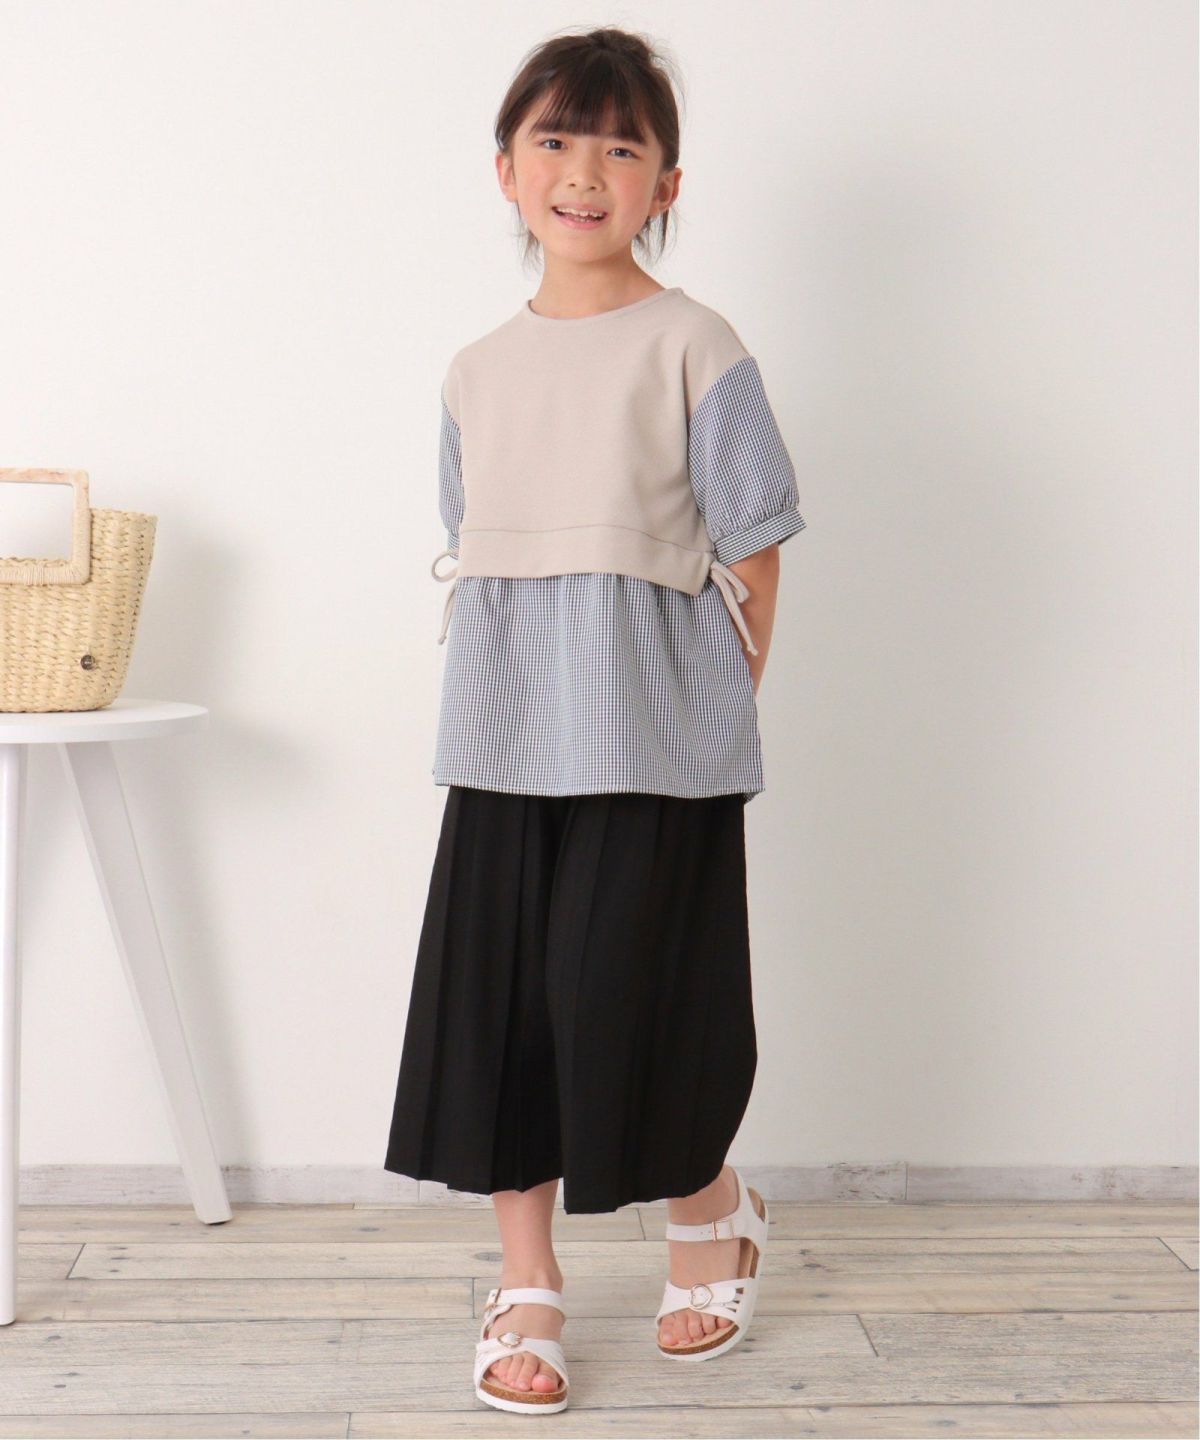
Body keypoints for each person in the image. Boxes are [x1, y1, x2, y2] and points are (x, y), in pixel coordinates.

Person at [384, 24, 807, 1416]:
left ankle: (712, 1213)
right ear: (506, 170)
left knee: (638, 995)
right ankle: (528, 1281)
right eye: (556, 141)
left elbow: (753, 551)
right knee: (500, 1007)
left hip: (654, 739)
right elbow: (485, 543)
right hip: (505, 735)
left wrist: (709, 716)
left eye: (622, 147)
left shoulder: (696, 343)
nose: (585, 172)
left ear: (665, 184)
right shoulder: (474, 369)